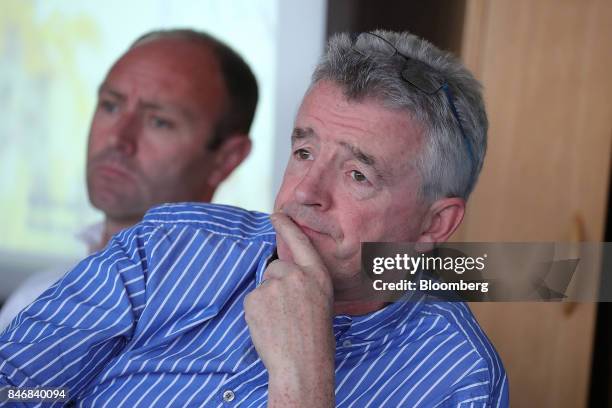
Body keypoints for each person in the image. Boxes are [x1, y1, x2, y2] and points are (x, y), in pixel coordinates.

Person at [0, 30, 508, 407]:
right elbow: (17, 385)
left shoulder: (458, 380)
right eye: (304, 152)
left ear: (435, 226)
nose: (305, 193)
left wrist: (302, 384)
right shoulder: (167, 248)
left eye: (357, 175)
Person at [0, 28, 257, 330]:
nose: (118, 139)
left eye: (159, 121)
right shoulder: (35, 296)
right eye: (110, 105)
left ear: (227, 158)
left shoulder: (238, 322)